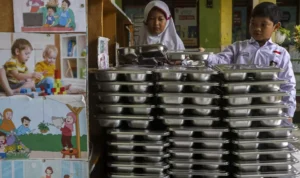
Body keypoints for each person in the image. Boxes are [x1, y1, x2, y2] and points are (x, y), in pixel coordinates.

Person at [205, 2, 296, 124]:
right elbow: (220, 60)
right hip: (239, 109)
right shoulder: (238, 48)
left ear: (276, 27)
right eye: (253, 23)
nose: (257, 28)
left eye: (263, 25)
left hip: (268, 110)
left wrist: (288, 112)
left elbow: (288, 85)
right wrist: (205, 57)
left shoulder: (281, 53)